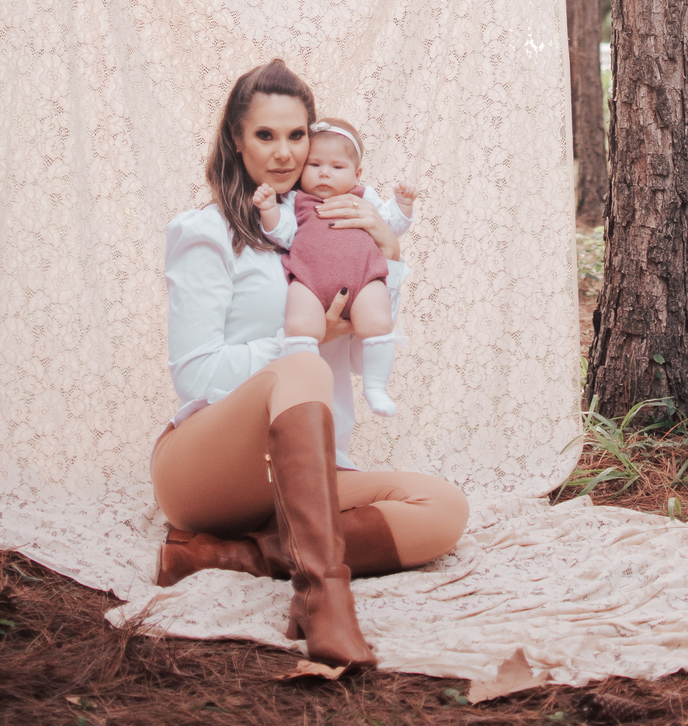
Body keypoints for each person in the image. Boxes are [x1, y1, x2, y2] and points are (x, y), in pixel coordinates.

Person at [151, 58, 468, 670]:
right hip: (208, 470)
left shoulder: (332, 220)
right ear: (236, 139)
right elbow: (195, 374)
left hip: (299, 476)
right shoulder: (205, 233)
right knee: (302, 366)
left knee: (443, 510)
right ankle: (323, 601)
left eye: (296, 134)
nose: (284, 153)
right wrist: (299, 344)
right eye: (265, 135)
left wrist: (388, 252)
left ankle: (222, 557)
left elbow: (366, 346)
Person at [253, 116, 414, 417]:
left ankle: (375, 387)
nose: (324, 173)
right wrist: (269, 209)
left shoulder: (364, 198)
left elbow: (390, 226)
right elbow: (281, 232)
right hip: (308, 280)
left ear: (357, 173)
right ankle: (303, 390)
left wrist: (402, 206)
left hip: (364, 278)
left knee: (378, 323)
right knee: (299, 327)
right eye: (314, 165)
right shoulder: (297, 200)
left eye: (337, 167)